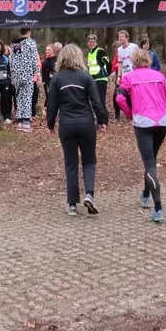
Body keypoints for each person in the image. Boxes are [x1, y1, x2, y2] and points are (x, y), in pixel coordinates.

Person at [116, 49, 166, 222]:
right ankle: (145, 194)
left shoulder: (129, 77)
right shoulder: (159, 76)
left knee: (149, 163)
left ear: (134, 62)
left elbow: (119, 99)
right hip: (162, 122)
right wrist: (163, 112)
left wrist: (130, 114)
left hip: (143, 122)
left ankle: (158, 207)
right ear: (148, 61)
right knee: (151, 158)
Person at [47, 44, 108, 216]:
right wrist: (101, 120)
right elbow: (96, 102)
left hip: (66, 125)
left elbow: (52, 104)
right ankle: (89, 195)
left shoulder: (57, 79)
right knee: (89, 161)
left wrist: (50, 123)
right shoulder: (86, 77)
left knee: (71, 163)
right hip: (86, 123)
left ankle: (72, 204)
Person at [10, 28, 42, 132]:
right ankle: (26, 122)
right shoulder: (31, 43)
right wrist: (37, 74)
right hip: (27, 74)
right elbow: (34, 59)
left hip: (17, 74)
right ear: (29, 32)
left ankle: (20, 121)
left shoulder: (15, 43)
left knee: (19, 97)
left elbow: (12, 60)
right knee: (27, 97)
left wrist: (13, 75)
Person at [113, 30, 139, 121]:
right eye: (119, 37)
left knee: (134, 94)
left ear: (127, 38)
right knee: (123, 94)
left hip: (134, 74)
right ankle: (129, 114)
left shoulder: (133, 47)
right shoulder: (119, 49)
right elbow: (120, 63)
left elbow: (139, 58)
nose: (120, 38)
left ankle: (136, 112)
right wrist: (119, 76)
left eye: (122, 36)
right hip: (125, 75)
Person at [85, 34, 112, 114]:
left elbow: (108, 63)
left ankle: (104, 119)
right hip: (92, 79)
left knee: (100, 100)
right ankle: (99, 117)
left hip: (101, 79)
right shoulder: (90, 53)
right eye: (90, 42)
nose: (91, 43)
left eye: (93, 42)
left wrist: (107, 73)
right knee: (95, 100)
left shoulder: (100, 51)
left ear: (96, 43)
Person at [41, 44, 57, 110]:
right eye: (46, 50)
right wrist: (44, 82)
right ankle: (47, 108)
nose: (47, 51)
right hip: (46, 81)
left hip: (55, 80)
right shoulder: (45, 60)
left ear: (53, 51)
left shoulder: (56, 59)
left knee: (54, 96)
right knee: (48, 95)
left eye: (49, 50)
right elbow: (43, 72)